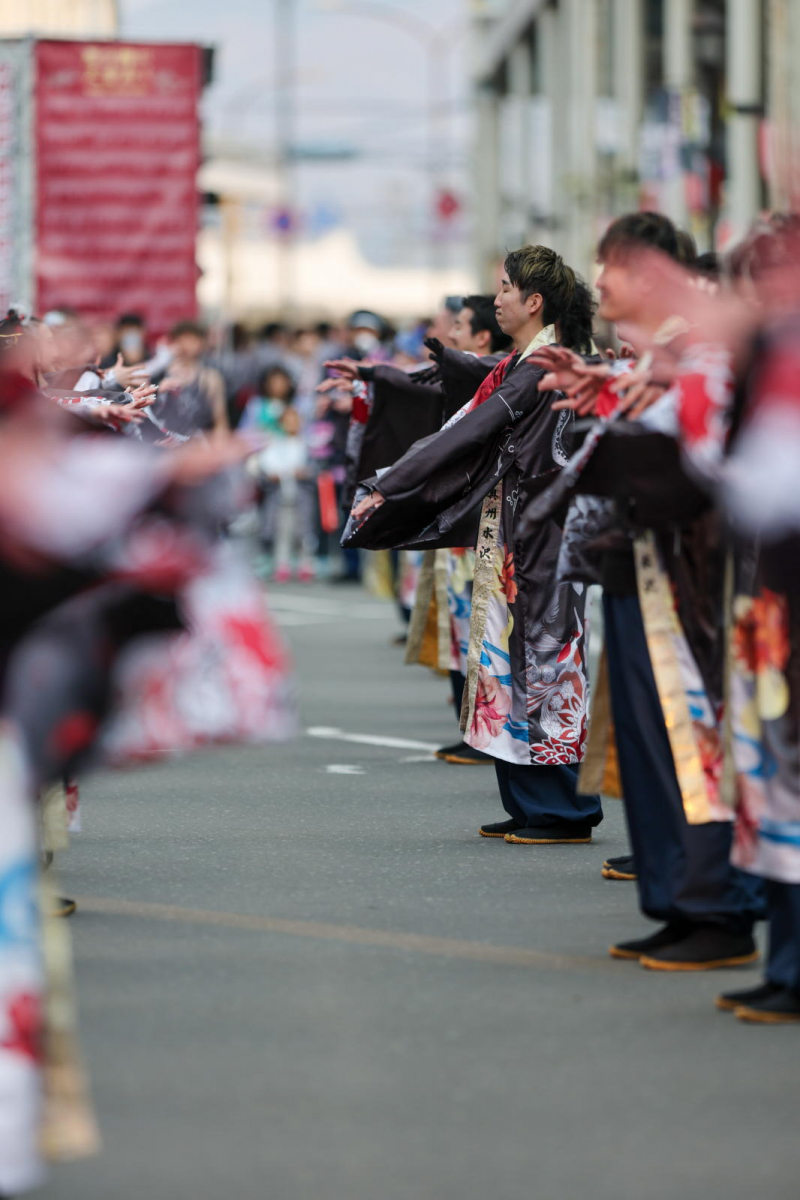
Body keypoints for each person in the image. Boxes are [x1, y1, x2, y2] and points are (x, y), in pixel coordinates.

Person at [345, 245, 603, 846]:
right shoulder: (525, 363)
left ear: (534, 302)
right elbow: (462, 411)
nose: (498, 299)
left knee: (542, 666)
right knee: (509, 667)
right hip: (516, 535)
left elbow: (466, 431)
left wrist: (388, 486)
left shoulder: (543, 366)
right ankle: (533, 803)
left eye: (506, 288)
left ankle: (563, 809)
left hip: (540, 538)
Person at [150, 320, 229, 439]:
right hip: (164, 441)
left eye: (192, 340)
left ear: (201, 343)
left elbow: (220, 420)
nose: (186, 346)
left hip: (198, 443)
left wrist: (221, 443)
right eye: (182, 340)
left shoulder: (210, 378)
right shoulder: (161, 373)